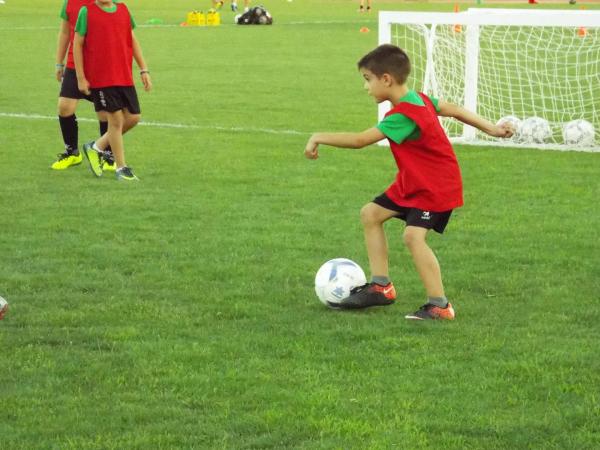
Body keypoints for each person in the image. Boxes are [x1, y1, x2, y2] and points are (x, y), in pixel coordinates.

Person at [304, 44, 513, 320]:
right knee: (371, 214)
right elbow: (454, 109)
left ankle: (439, 305)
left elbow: (359, 141)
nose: (366, 87)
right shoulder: (418, 99)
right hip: (413, 182)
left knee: (413, 237)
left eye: (368, 80)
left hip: (434, 186)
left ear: (386, 79)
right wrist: (492, 129)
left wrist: (318, 136)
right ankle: (381, 287)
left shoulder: (402, 116)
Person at [73, 0, 152, 181]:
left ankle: (96, 147)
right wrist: (81, 77)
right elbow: (77, 44)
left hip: (124, 75)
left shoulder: (123, 10)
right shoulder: (87, 12)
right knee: (115, 121)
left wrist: (143, 69)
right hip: (101, 77)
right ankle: (121, 168)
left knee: (133, 117)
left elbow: (132, 39)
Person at [53, 0, 115, 171]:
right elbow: (65, 32)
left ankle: (107, 155)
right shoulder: (69, 2)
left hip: (100, 66)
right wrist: (59, 62)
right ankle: (72, 153)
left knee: (104, 113)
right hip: (74, 64)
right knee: (65, 107)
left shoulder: (106, 2)